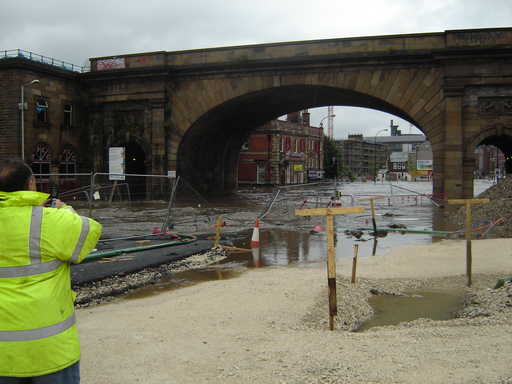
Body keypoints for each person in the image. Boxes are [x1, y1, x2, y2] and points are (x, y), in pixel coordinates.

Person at [0, 159, 102, 383]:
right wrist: (64, 209)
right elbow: (89, 233)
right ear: (31, 184)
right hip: (50, 351)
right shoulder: (50, 221)